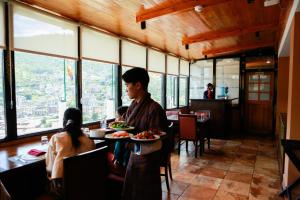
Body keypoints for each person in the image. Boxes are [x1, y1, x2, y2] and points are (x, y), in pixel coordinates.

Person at [113, 68, 168, 166]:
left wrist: (129, 144)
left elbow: (156, 139)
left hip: (144, 159)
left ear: (138, 85)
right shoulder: (133, 104)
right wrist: (120, 122)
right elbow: (125, 123)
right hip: (130, 152)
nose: (126, 89)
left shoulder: (154, 108)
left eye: (127, 85)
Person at [46, 108, 95, 180]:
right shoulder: (88, 139)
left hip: (63, 184)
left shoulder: (56, 138)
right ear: (80, 122)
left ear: (64, 121)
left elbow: (50, 168)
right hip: (86, 180)